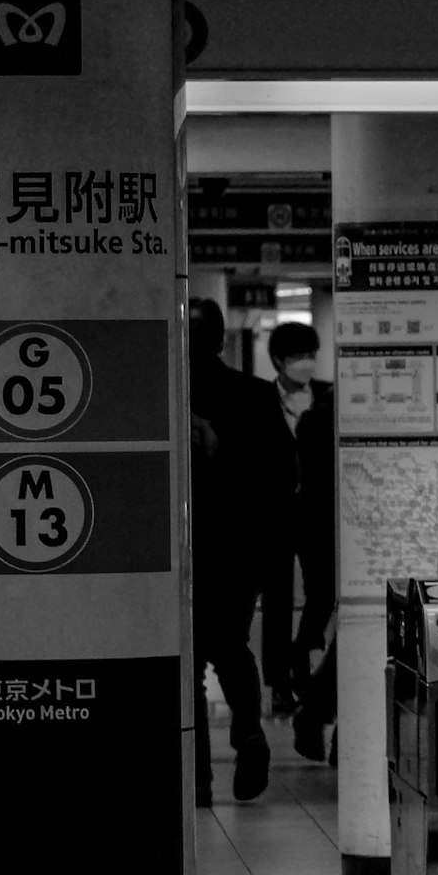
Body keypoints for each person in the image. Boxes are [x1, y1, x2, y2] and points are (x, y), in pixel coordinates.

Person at [187, 300, 290, 805]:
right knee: (231, 646)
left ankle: (198, 780)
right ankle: (248, 731)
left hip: (179, 550)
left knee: (187, 660)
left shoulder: (156, 393)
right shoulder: (253, 394)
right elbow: (282, 475)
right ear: (222, 340)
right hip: (239, 547)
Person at [261, 320, 340, 762]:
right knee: (275, 594)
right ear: (278, 361)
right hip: (275, 512)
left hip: (314, 514)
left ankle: (301, 660)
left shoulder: (329, 397)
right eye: (296, 356)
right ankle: (280, 682)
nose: (306, 363)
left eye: (311, 352)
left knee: (320, 593)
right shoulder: (260, 398)